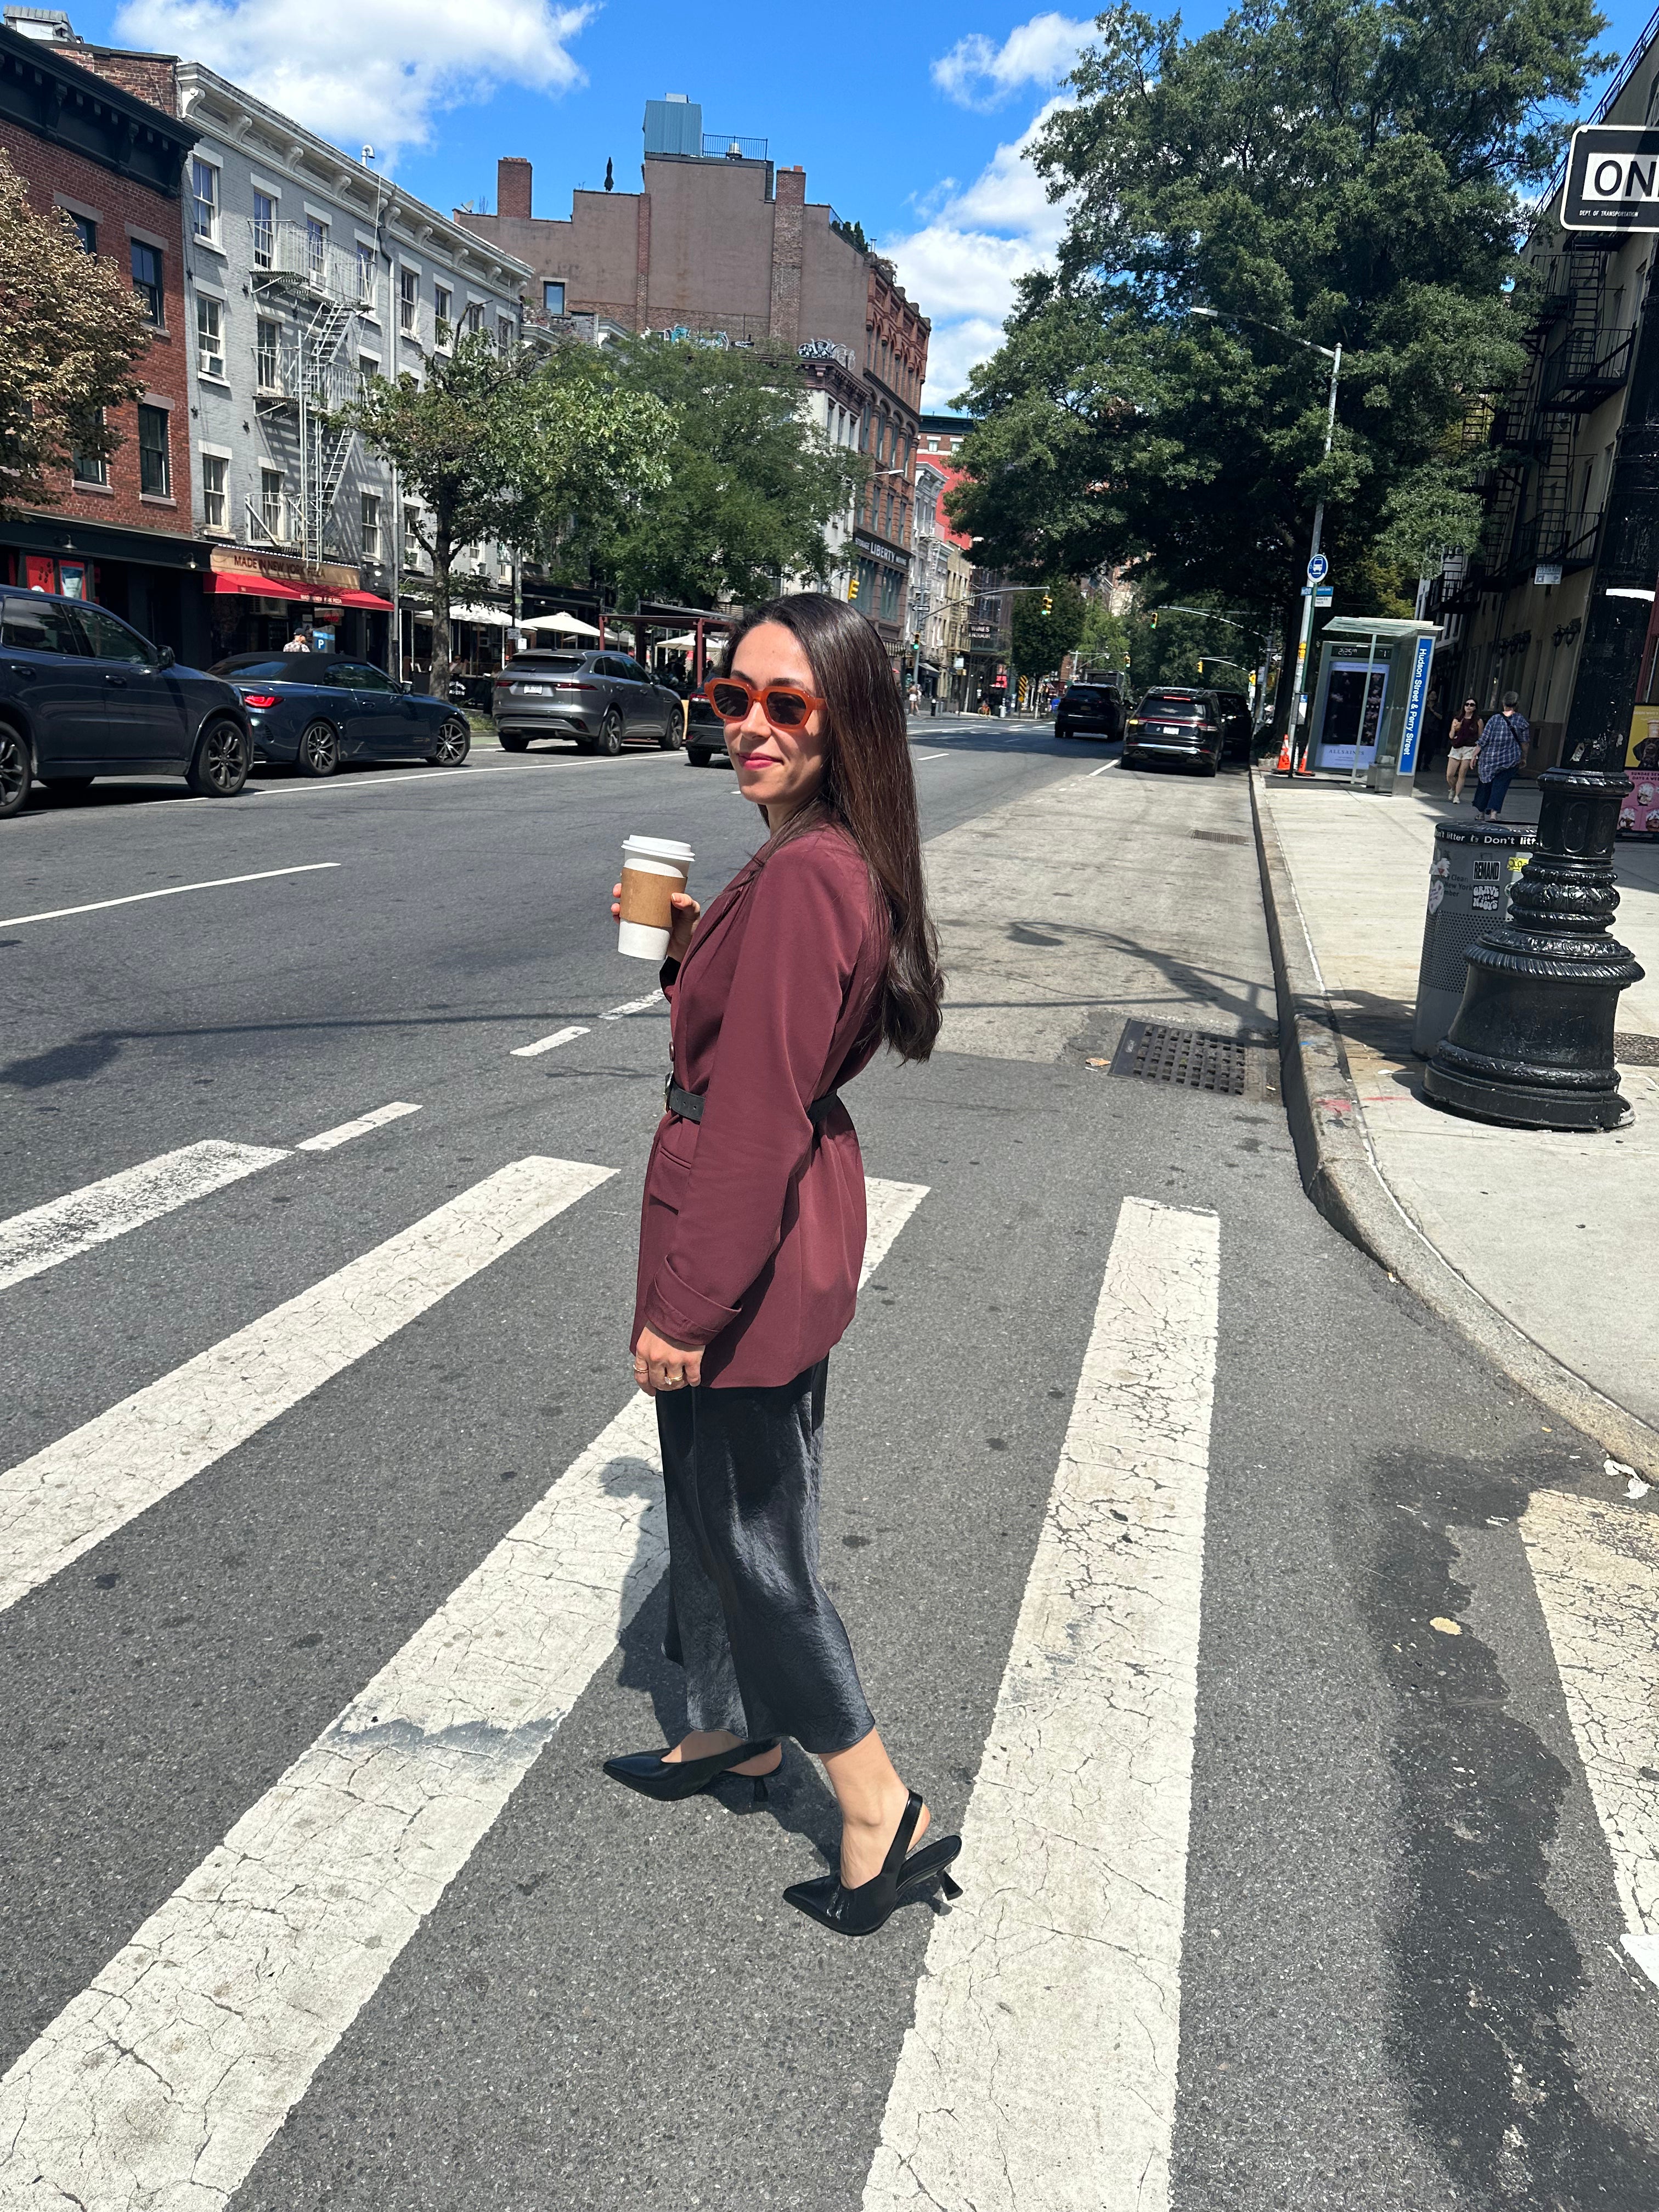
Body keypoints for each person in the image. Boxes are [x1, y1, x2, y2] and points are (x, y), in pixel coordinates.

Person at [607, 592, 963, 1939]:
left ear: (846, 719)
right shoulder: (806, 855)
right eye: (732, 697)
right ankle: (742, 1733)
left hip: (739, 1245)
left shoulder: (812, 875)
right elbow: (768, 1037)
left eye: (786, 706)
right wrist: (700, 953)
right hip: (755, 1223)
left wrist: (685, 1311)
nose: (750, 725)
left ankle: (877, 1800)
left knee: (757, 1539)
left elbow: (756, 1114)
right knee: (709, 1513)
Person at [1474, 691, 1528, 819]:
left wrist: (1474, 755)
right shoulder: (1521, 721)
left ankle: (1481, 813)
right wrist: (1524, 758)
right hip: (1510, 760)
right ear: (1517, 705)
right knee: (1501, 785)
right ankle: (1494, 814)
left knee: (1485, 784)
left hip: (1489, 761)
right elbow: (1525, 742)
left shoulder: (1494, 719)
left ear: (1503, 704)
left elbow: (1483, 740)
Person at [1446, 696, 1483, 803]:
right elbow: (1451, 736)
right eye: (1467, 704)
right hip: (1457, 748)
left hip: (1470, 748)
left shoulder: (1478, 721)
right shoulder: (1457, 719)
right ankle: (1453, 788)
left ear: (1475, 708)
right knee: (1450, 775)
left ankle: (1457, 796)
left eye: (1472, 705)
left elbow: (1481, 738)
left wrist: (1476, 752)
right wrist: (1454, 728)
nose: (1469, 706)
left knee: (1462, 774)